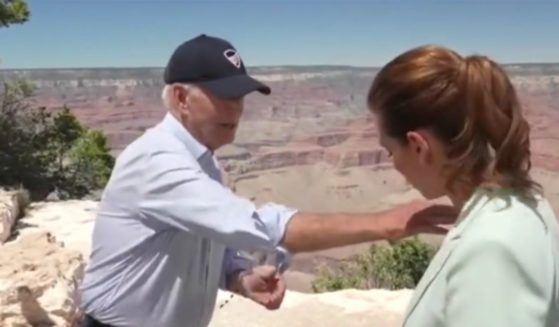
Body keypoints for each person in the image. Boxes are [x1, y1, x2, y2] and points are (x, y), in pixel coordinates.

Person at [77, 34, 455, 327]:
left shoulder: (202, 162)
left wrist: (238, 276)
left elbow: (207, 239)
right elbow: (259, 226)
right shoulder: (157, 162)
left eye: (241, 97)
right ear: (181, 98)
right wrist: (384, 223)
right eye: (225, 96)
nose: (237, 110)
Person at [367, 44, 559, 327]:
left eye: (390, 150)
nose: (391, 163)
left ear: (419, 147)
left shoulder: (492, 248)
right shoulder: (523, 203)